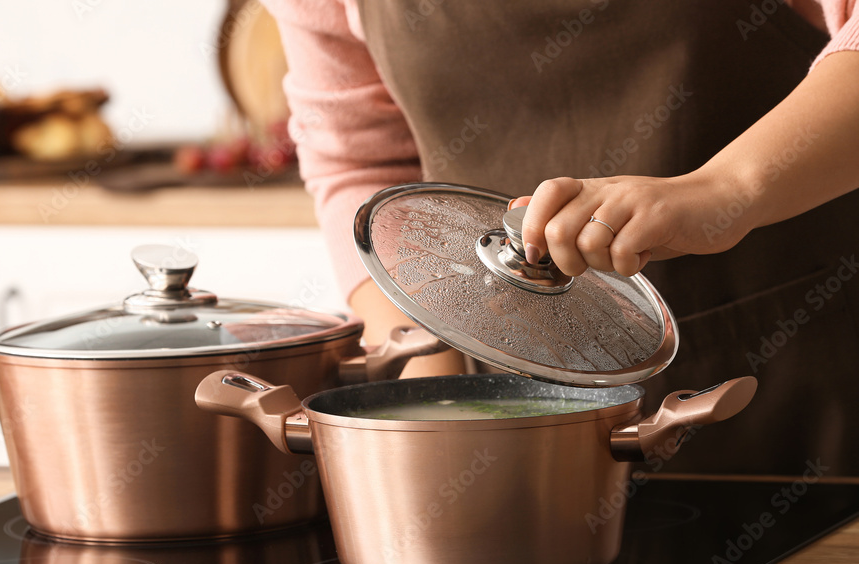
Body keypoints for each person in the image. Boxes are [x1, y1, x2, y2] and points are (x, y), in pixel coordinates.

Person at [262, 0, 859, 476]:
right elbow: (360, 161)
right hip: (504, 425)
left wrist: (727, 189)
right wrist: (431, 373)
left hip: (802, 381)